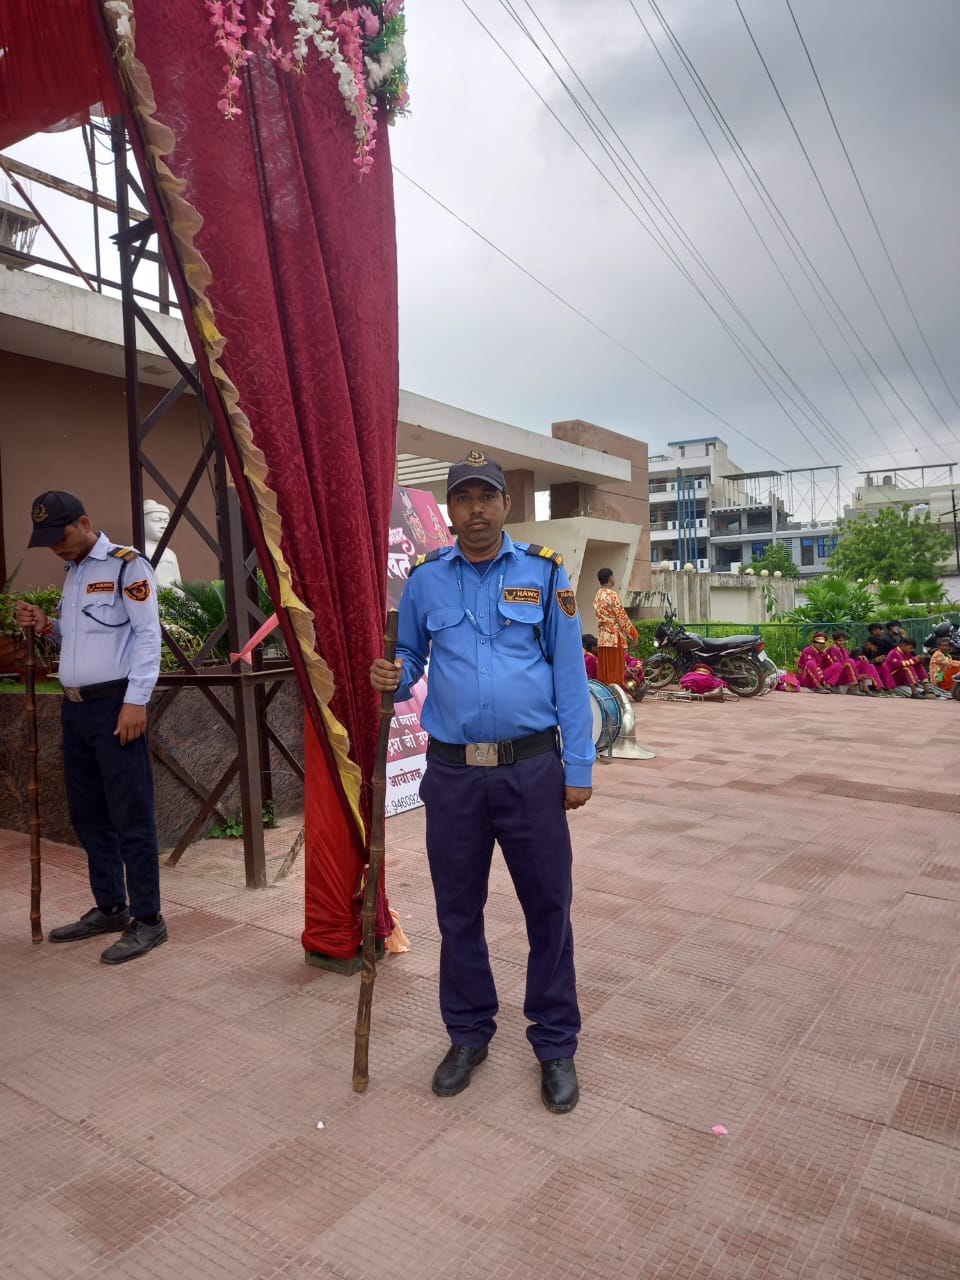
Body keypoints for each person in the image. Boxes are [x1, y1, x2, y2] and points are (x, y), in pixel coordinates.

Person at [370, 451, 594, 1114]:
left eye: (486, 497)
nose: (475, 509)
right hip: (454, 776)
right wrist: (396, 674)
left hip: (531, 771)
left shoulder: (546, 575)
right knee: (458, 912)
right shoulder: (425, 582)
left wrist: (576, 765)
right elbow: (409, 656)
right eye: (462, 498)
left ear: (503, 505)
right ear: (452, 509)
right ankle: (468, 1034)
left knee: (548, 909)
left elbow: (569, 677)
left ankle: (556, 1045)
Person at [15, 491, 166, 963]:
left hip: (115, 707)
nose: (55, 548)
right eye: (47, 542)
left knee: (131, 816)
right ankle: (111, 907)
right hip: (76, 709)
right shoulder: (74, 573)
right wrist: (46, 625)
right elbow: (80, 634)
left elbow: (146, 634)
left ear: (83, 522)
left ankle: (149, 920)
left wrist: (136, 700)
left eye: (59, 537)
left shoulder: (127, 566)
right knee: (88, 815)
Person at [594, 567, 637, 688]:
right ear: (610, 578)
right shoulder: (612, 595)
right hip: (614, 638)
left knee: (604, 671)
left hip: (603, 638)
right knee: (615, 670)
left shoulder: (598, 595)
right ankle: (616, 693)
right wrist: (634, 635)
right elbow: (622, 617)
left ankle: (605, 693)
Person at [143, 499, 183, 592]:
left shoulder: (170, 553)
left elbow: (178, 583)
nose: (163, 525)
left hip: (173, 601)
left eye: (166, 521)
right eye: (157, 520)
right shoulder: (137, 551)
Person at [828, 630, 879, 696]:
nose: (842, 642)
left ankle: (866, 688)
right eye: (840, 641)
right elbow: (839, 666)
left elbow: (849, 665)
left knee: (863, 660)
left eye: (843, 640)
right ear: (835, 641)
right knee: (850, 661)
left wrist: (858, 659)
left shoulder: (845, 650)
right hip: (837, 675)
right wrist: (857, 675)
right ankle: (853, 687)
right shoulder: (832, 649)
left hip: (846, 673)